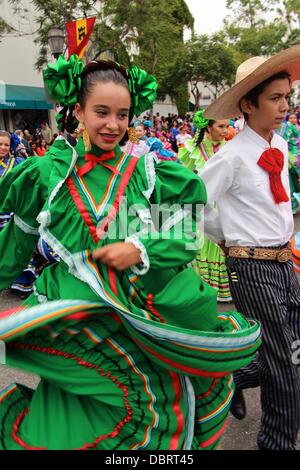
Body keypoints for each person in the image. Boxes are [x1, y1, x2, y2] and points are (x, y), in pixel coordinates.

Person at [0, 54, 261, 450]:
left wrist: (141, 248)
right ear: (78, 111)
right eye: (101, 112)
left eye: (122, 115)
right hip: (78, 322)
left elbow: (188, 229)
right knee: (75, 417)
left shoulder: (146, 170)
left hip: (137, 311)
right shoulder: (44, 174)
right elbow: (15, 246)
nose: (113, 124)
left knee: (155, 411)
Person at [200, 44, 300, 450]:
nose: (284, 107)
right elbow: (193, 200)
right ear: (247, 104)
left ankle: (229, 377)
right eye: (274, 99)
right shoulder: (231, 156)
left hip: (283, 262)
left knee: (291, 349)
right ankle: (276, 442)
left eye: (287, 98)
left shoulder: (277, 146)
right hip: (251, 266)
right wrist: (225, 237)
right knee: (285, 367)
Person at [179, 111, 232, 302]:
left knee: (224, 243)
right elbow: (184, 180)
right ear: (208, 127)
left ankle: (226, 288)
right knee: (204, 243)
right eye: (221, 126)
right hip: (202, 208)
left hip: (226, 207)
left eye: (227, 126)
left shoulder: (231, 149)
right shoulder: (192, 149)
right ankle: (206, 289)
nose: (226, 131)